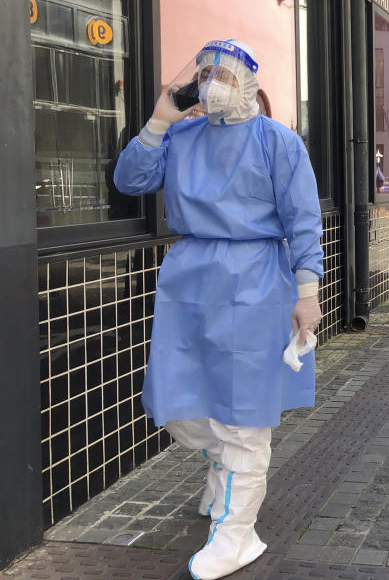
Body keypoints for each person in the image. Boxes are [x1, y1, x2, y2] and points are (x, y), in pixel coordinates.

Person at [113, 39, 325, 580]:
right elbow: (130, 181)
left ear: (248, 82)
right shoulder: (182, 135)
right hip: (190, 279)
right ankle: (223, 472)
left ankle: (237, 532)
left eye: (223, 74)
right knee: (182, 401)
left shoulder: (278, 142)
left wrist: (308, 292)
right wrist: (159, 122)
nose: (210, 81)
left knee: (243, 412)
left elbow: (302, 219)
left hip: (256, 283)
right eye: (204, 72)